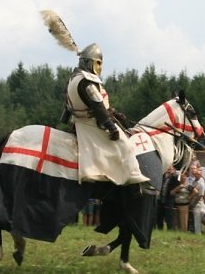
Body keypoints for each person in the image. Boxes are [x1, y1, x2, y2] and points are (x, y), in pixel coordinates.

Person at [64, 43, 149, 186]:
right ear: (87, 62)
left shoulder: (73, 79)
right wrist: (111, 127)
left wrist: (112, 112)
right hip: (91, 124)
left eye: (100, 63)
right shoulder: (86, 81)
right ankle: (133, 179)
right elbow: (97, 106)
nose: (99, 67)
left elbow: (68, 106)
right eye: (96, 63)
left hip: (80, 122)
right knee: (126, 146)